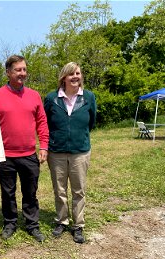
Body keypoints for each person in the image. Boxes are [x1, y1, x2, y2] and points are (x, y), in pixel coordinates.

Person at [0, 55, 49, 242]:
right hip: (5, 156)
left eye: (24, 69)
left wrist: (44, 145)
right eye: (18, 70)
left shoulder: (34, 95)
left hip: (29, 154)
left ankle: (32, 224)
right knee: (8, 192)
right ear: (8, 72)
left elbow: (42, 122)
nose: (22, 73)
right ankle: (10, 223)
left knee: (30, 192)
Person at [44, 62, 97, 243]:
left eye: (78, 73)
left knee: (78, 190)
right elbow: (46, 124)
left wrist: (78, 137)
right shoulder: (52, 98)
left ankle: (78, 225)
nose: (75, 76)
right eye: (71, 74)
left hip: (80, 151)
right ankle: (61, 221)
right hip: (56, 151)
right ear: (63, 78)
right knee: (59, 189)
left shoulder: (88, 97)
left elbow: (91, 122)